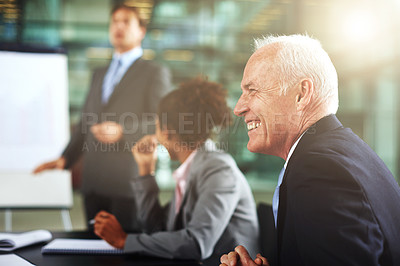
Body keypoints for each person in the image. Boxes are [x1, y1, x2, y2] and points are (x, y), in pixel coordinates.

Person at [220, 34, 400, 266]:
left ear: (302, 93)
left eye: (252, 90)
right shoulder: (342, 152)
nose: (239, 108)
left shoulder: (318, 169)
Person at [33, 4, 171, 231]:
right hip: (93, 182)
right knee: (92, 251)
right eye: (115, 22)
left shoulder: (154, 72)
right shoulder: (99, 73)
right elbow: (86, 121)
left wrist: (123, 131)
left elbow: (163, 122)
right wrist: (66, 159)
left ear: (141, 31)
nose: (119, 26)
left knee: (124, 252)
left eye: (126, 22)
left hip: (127, 182)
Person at [93, 78, 260, 265]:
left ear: (166, 132)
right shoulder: (193, 167)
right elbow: (158, 230)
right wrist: (145, 171)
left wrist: (124, 240)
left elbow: (197, 244)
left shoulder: (219, 170)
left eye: (156, 127)